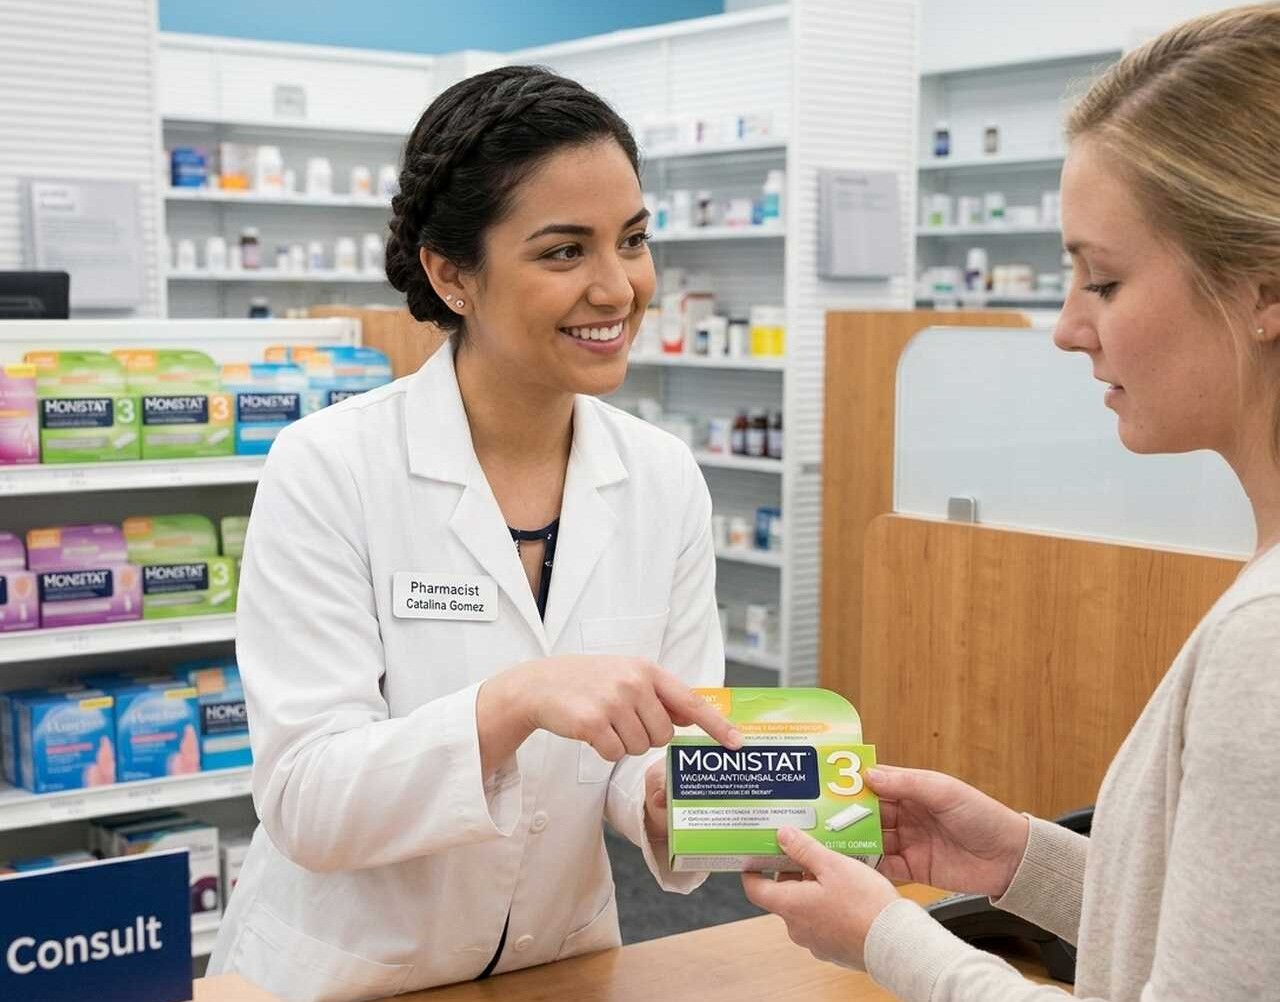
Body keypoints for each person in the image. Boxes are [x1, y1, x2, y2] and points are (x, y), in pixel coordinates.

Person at [743, 6, 1280, 1001]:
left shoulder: (1265, 640)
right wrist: (1019, 860)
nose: (1067, 327)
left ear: (1264, 288)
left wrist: (887, 940)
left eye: (1103, 280)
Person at [207, 66, 742, 1002]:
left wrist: (669, 796)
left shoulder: (663, 480)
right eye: (564, 252)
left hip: (560, 967)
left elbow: (658, 739)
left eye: (632, 239)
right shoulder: (330, 468)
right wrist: (513, 702)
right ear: (452, 275)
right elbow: (306, 797)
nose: (618, 287)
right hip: (342, 978)